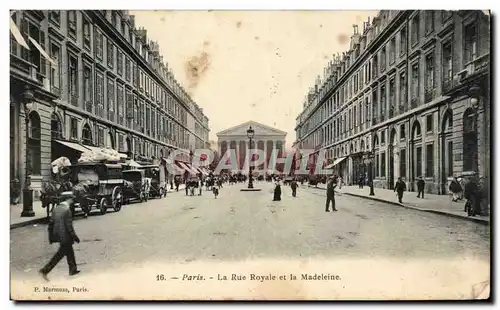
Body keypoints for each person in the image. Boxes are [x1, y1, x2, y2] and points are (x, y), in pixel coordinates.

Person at [39, 198, 81, 281]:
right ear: (68, 201)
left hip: (58, 235)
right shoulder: (67, 210)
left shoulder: (56, 209)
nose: (72, 203)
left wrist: (51, 237)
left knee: (69, 252)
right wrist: (75, 237)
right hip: (65, 236)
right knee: (59, 255)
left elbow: (51, 223)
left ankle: (73, 269)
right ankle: (45, 270)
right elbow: (69, 226)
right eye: (71, 201)